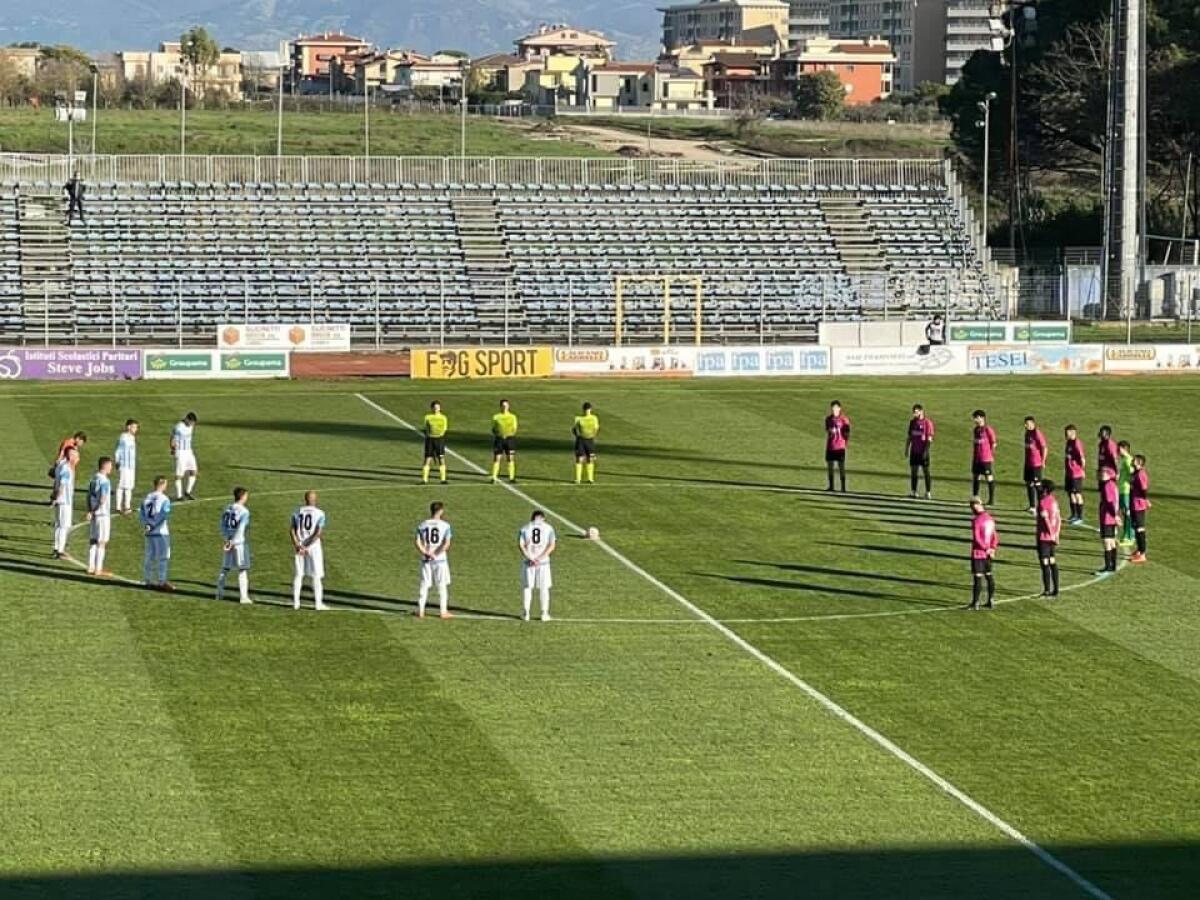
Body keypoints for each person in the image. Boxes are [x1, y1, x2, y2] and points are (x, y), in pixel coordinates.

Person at [415, 501, 453, 619]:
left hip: (426, 559)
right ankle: (443, 611)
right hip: (440, 560)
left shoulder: (422, 525)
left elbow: (417, 542)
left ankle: (421, 611)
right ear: (441, 511)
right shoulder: (445, 525)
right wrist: (436, 554)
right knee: (442, 585)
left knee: (424, 584)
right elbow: (446, 544)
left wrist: (426, 552)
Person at [291, 491, 328, 611]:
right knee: (316, 575)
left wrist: (298, 544)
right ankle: (318, 604)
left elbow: (292, 530)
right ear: (314, 499)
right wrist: (307, 545)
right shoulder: (320, 513)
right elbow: (318, 533)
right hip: (313, 547)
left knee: (299, 574)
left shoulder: (297, 512)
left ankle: (296, 603)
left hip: (299, 546)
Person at [518, 510, 557, 621]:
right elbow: (552, 545)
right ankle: (544, 613)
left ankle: (526, 613)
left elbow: (521, 545)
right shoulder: (549, 528)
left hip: (528, 562)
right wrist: (540, 558)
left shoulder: (525, 528)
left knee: (527, 587)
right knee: (544, 588)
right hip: (543, 563)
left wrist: (530, 557)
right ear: (543, 518)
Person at [216, 487, 252, 605]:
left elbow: (221, 526)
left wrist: (227, 539)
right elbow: (241, 528)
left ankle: (219, 594)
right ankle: (243, 597)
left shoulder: (227, 508)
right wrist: (234, 541)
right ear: (242, 497)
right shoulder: (244, 511)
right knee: (242, 569)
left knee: (224, 569)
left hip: (228, 541)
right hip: (239, 543)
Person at [140, 476, 174, 591]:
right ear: (163, 484)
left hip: (149, 532)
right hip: (160, 532)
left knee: (150, 556)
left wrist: (147, 525)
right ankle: (162, 581)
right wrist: (153, 525)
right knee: (163, 557)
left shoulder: (147, 498)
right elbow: (163, 515)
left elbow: (142, 515)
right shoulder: (164, 499)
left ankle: (147, 580)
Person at [85, 456, 114, 577]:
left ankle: (90, 567)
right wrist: (95, 510)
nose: (111, 468)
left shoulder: (93, 479)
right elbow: (102, 499)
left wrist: (90, 511)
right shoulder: (105, 481)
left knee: (93, 541)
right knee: (102, 542)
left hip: (94, 515)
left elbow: (88, 497)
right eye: (110, 466)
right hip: (102, 515)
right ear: (106, 466)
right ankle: (98, 569)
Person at [968, 497, 998, 610]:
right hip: (989, 554)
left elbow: (977, 538)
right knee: (989, 575)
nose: (971, 509)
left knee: (978, 577)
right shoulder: (990, 518)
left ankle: (975, 603)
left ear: (976, 505)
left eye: (971, 506)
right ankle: (991, 600)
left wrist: (985, 549)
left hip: (978, 553)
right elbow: (995, 536)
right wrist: (992, 549)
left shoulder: (976, 520)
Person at [50, 446, 79, 560]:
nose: (77, 457)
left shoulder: (61, 465)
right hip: (64, 501)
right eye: (75, 455)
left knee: (58, 525)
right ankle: (60, 551)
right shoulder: (66, 469)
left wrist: (54, 497)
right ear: (70, 456)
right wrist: (57, 497)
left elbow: (56, 483)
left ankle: (56, 548)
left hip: (60, 500)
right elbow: (62, 485)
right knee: (63, 526)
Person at [1036, 479, 1062, 598]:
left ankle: (1047, 590)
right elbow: (1059, 518)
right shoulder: (1054, 501)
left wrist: (1051, 534)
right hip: (1052, 536)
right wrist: (1056, 534)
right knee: (1052, 561)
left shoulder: (1042, 503)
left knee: (1044, 563)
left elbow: (1046, 520)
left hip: (1044, 537)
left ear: (1045, 489)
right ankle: (1056, 589)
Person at [905, 404, 935, 499]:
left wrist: (926, 452)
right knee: (914, 471)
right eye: (913, 412)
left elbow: (929, 438)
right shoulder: (912, 422)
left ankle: (928, 492)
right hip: (914, 451)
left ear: (921, 411)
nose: (914, 414)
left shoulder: (927, 423)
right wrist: (907, 449)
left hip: (923, 452)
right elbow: (909, 437)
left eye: (916, 412)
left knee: (926, 471)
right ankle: (914, 491)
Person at [1096, 466, 1121, 575]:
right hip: (1111, 516)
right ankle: (1113, 565)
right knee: (1111, 540)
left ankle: (1108, 566)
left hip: (1107, 517)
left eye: (1103, 473)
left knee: (1107, 541)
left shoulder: (1107, 486)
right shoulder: (1113, 485)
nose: (1101, 474)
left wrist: (1114, 516)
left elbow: (1110, 503)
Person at [970, 410, 997, 505]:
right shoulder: (976, 430)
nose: (974, 420)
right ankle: (975, 497)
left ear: (982, 418)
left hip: (985, 458)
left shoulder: (988, 429)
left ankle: (991, 499)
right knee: (976, 477)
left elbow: (993, 443)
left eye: (976, 417)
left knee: (988, 477)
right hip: (976, 458)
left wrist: (991, 455)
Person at [1022, 416, 1048, 514]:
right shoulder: (1027, 433)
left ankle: (1042, 506)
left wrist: (1043, 461)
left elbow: (1044, 447)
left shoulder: (1037, 433)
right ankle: (1032, 506)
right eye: (1025, 424)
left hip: (1036, 463)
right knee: (1029, 484)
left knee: (1037, 485)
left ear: (1033, 424)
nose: (1026, 425)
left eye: (1028, 424)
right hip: (1028, 463)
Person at [171, 412, 199, 501]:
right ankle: (179, 496)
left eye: (193, 423)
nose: (192, 424)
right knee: (179, 475)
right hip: (180, 452)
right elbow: (172, 439)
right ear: (187, 419)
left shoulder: (191, 426)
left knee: (194, 471)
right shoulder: (179, 427)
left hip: (189, 451)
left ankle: (188, 492)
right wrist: (173, 450)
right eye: (191, 422)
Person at [824, 400, 851, 492]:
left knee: (841, 467)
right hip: (831, 446)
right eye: (832, 408)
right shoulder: (828, 419)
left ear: (839, 408)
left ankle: (843, 487)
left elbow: (847, 433)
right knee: (830, 466)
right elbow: (828, 430)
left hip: (840, 447)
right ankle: (831, 486)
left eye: (836, 408)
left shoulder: (844, 419)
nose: (834, 410)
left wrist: (845, 443)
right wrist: (830, 432)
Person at [114, 419, 139, 515]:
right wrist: (117, 461)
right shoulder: (123, 437)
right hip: (124, 465)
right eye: (134, 427)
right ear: (128, 427)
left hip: (131, 466)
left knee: (129, 486)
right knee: (121, 485)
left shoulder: (132, 438)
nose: (136, 429)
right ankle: (118, 507)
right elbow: (118, 450)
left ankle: (127, 506)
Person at [490, 399, 519, 484]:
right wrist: (499, 434)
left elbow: (514, 428)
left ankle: (512, 477)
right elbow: (493, 428)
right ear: (500, 407)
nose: (504, 407)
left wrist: (508, 434)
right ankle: (494, 477)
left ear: (508, 406)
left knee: (510, 458)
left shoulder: (512, 416)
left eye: (506, 406)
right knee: (497, 458)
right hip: (499, 439)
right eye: (503, 406)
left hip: (510, 439)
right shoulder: (496, 417)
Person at [1128, 455, 1150, 564]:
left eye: (1134, 460)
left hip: (1139, 505)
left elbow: (1144, 489)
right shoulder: (1134, 473)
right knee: (1136, 528)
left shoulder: (1141, 474)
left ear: (1139, 462)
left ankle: (1143, 554)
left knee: (1140, 529)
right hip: (1133, 504)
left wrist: (1146, 500)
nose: (1132, 460)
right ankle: (1139, 550)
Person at [1063, 425, 1087, 525]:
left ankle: (1080, 517)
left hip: (1075, 474)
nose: (1065, 434)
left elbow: (1082, 459)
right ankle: (1073, 515)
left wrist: (1081, 470)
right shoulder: (1069, 442)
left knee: (1077, 494)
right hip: (1069, 473)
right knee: (1070, 494)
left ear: (1073, 432)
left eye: (1067, 432)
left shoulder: (1077, 443)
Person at [421, 401, 449, 485]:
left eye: (438, 407)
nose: (436, 409)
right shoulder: (427, 417)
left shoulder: (443, 417)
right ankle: (424, 480)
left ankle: (443, 479)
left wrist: (439, 434)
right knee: (427, 458)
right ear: (432, 408)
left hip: (439, 440)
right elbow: (425, 428)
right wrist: (429, 435)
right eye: (435, 407)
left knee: (441, 459)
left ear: (440, 408)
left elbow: (444, 429)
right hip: (430, 440)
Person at [573, 402, 600, 484]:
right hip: (581, 440)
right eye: (586, 410)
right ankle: (578, 479)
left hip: (590, 440)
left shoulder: (594, 418)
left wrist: (593, 435)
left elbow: (596, 428)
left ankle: (590, 479)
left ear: (590, 410)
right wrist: (578, 436)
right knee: (580, 459)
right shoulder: (578, 419)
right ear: (583, 410)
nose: (587, 411)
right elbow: (574, 429)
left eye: (588, 410)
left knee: (590, 459)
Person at [1116, 440, 1135, 547]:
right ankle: (1126, 535)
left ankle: (1130, 537)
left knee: (1128, 514)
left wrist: (1131, 485)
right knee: (1124, 513)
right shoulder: (1125, 460)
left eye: (1119, 449)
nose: (1118, 451)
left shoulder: (1128, 460)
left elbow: (1133, 474)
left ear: (1124, 449)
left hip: (1126, 491)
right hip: (1122, 490)